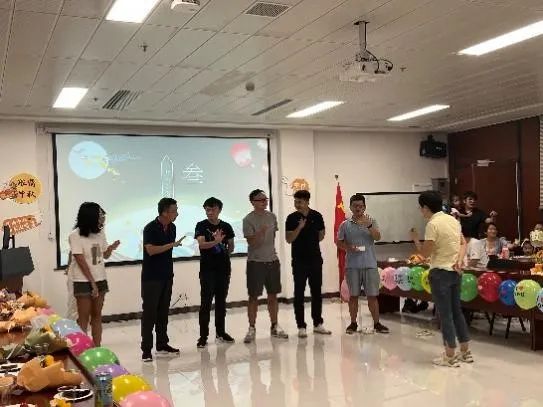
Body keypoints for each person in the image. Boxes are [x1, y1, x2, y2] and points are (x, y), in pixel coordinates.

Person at [410, 190, 472, 367]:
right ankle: (465, 352)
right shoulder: (452, 220)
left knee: (445, 315)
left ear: (426, 207)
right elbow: (463, 243)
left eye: (421, 208)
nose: (420, 211)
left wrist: (416, 241)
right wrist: (459, 260)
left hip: (440, 274)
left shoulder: (433, 224)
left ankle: (450, 355)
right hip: (455, 272)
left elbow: (426, 253)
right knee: (457, 312)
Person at [336, 193, 389, 334]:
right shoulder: (345, 225)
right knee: (353, 296)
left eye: (361, 206)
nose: (358, 208)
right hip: (352, 266)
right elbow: (339, 242)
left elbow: (378, 237)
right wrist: (348, 247)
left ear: (364, 207)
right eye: (355, 206)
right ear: (350, 207)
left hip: (370, 264)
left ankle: (377, 323)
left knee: (372, 296)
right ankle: (353, 323)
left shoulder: (371, 221)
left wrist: (369, 225)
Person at [68, 202, 120, 346]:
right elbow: (80, 261)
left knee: (97, 316)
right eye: (99, 215)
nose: (102, 218)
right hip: (83, 281)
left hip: (100, 278)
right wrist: (92, 283)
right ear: (90, 216)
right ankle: (82, 349)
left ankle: (97, 347)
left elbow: (103, 255)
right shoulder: (75, 235)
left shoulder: (99, 234)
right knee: (83, 317)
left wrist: (111, 248)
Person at [141, 198, 185, 362]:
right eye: (174, 210)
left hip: (167, 275)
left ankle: (162, 344)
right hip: (151, 277)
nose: (177, 214)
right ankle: (146, 350)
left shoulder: (172, 227)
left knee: (163, 312)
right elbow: (151, 250)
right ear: (165, 212)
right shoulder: (150, 228)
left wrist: (171, 245)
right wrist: (172, 245)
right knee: (149, 313)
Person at [243, 189, 288, 343]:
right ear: (253, 202)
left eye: (265, 199)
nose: (264, 201)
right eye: (261, 200)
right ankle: (251, 328)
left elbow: (272, 238)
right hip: (255, 263)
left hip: (272, 261)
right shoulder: (248, 219)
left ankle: (275, 326)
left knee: (273, 295)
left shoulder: (272, 217)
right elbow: (252, 243)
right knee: (253, 297)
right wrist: (260, 233)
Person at [285, 190, 331, 338]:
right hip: (299, 261)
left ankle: (318, 324)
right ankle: (301, 326)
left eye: (300, 202)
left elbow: (321, 235)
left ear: (307, 202)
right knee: (299, 293)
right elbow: (289, 239)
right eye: (295, 201)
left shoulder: (317, 216)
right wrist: (299, 227)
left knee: (316, 292)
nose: (297, 204)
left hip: (315, 260)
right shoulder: (291, 218)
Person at [195, 197, 236, 349]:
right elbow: (202, 245)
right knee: (205, 303)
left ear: (219, 210)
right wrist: (216, 242)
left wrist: (224, 250)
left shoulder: (226, 226)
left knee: (221, 303)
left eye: (212, 209)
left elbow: (231, 247)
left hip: (223, 270)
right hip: (207, 271)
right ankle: (203, 337)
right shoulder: (201, 225)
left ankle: (221, 333)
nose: (209, 212)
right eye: (207, 209)